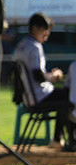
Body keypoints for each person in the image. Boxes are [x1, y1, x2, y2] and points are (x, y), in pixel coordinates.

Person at [12, 12, 75, 148]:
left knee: (65, 96)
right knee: (70, 98)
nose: (46, 38)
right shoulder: (34, 47)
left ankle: (58, 138)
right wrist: (54, 76)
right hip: (39, 96)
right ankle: (64, 140)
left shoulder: (21, 45)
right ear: (35, 28)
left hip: (29, 96)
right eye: (44, 33)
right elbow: (38, 76)